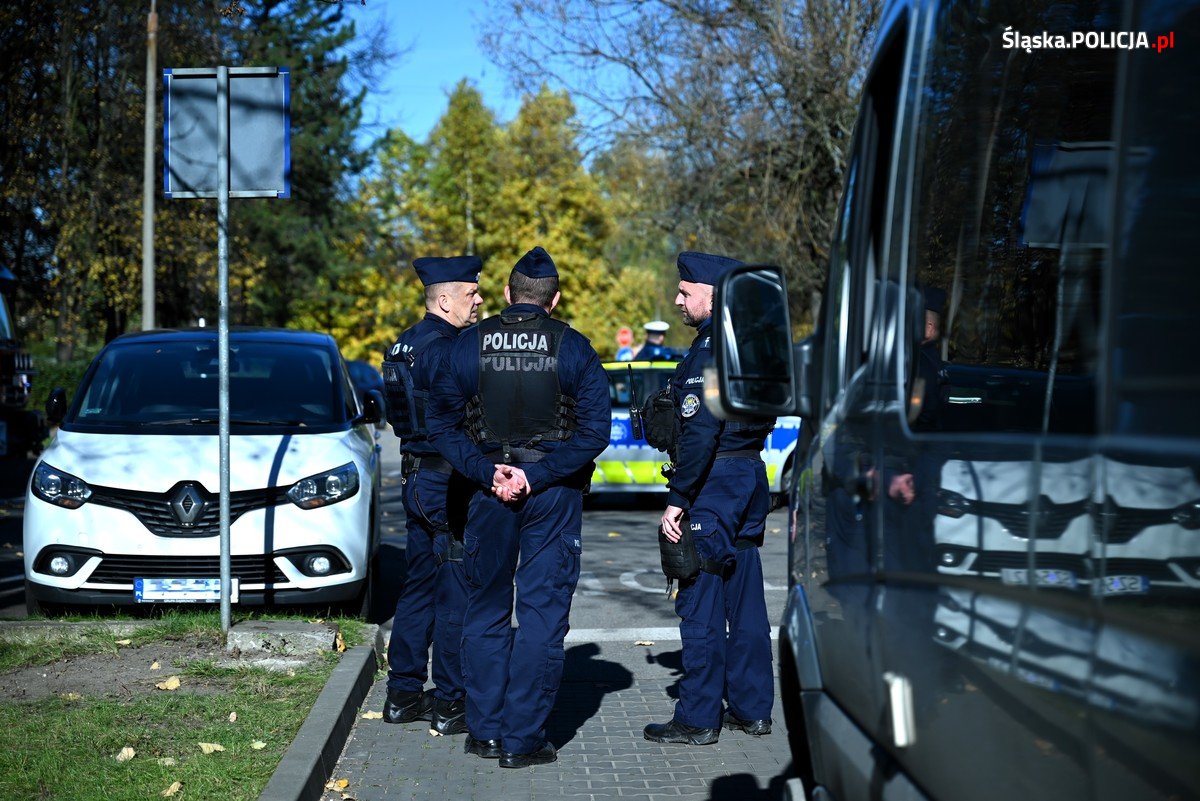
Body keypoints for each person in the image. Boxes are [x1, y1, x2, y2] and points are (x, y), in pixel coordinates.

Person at [426, 246, 611, 768]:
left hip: (487, 491)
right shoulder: (573, 347)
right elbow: (595, 431)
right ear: (555, 299)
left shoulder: (468, 345)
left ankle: (485, 731)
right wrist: (537, 474)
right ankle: (522, 739)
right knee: (541, 614)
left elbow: (439, 423)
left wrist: (487, 472)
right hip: (552, 493)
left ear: (508, 293)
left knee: (485, 608)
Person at [645, 251, 776, 746]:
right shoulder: (750, 344)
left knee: (698, 595)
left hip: (714, 482)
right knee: (745, 600)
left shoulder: (709, 350)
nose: (678, 299)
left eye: (685, 291)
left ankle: (698, 717)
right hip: (748, 474)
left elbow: (700, 430)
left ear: (714, 295)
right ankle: (752, 709)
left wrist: (679, 499)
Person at [380, 255, 484, 735]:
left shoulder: (404, 344)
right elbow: (462, 419)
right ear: (444, 300)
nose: (478, 301)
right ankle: (450, 702)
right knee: (454, 589)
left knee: (418, 587)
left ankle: (402, 695)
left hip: (415, 478)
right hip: (445, 482)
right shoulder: (448, 349)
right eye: (471, 293)